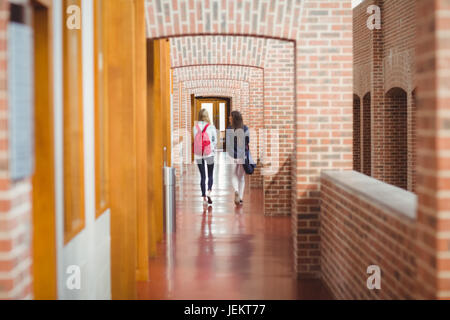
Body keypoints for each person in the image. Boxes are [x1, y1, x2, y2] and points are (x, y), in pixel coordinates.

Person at [193, 108, 218, 206]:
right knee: (210, 174)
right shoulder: (211, 127)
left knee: (202, 176)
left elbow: (194, 140)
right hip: (209, 154)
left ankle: (204, 197)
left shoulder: (195, 127)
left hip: (198, 154)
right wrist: (212, 148)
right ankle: (209, 192)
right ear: (207, 116)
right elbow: (214, 141)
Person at [226, 111, 250, 206]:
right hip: (242, 155)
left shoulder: (229, 129)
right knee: (241, 178)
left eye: (230, 116)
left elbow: (228, 145)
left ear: (234, 118)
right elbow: (247, 142)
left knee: (233, 175)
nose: (229, 117)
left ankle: (236, 191)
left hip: (232, 155)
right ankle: (240, 197)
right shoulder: (245, 128)